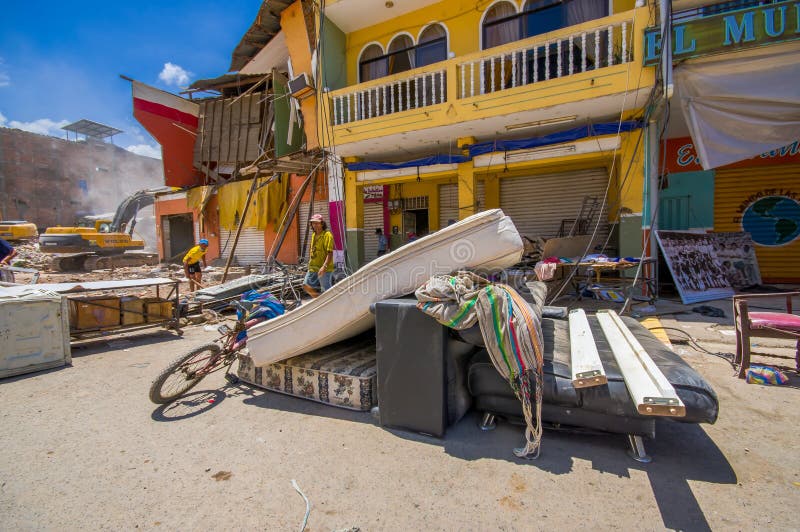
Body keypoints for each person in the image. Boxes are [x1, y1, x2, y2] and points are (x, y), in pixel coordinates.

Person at [303, 214, 334, 298]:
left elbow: (330, 253)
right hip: (313, 267)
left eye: (317, 223)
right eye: (313, 223)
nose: (315, 225)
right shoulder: (314, 234)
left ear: (322, 224)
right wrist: (310, 261)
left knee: (326, 291)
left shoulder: (327, 235)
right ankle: (318, 300)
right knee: (306, 285)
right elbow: (312, 249)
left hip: (325, 268)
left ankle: (328, 305)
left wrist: (324, 266)